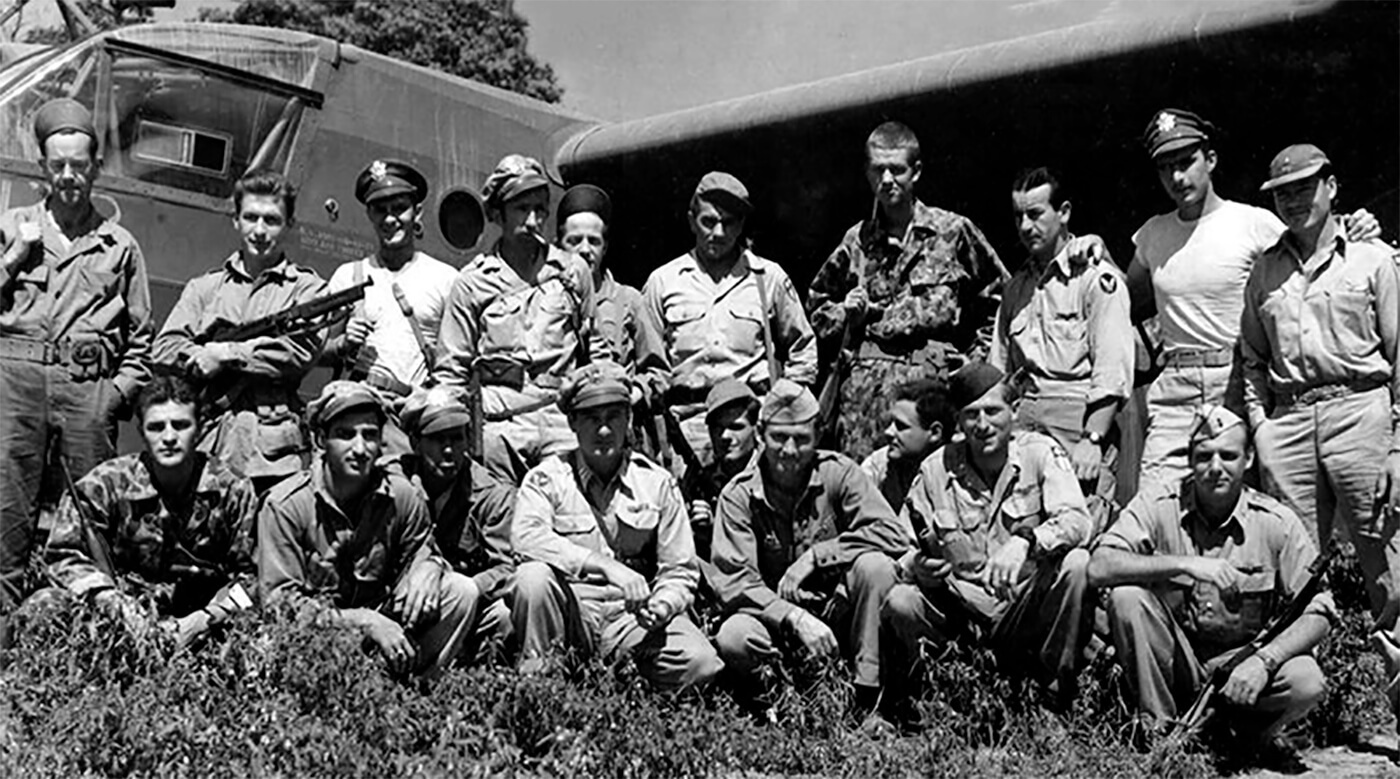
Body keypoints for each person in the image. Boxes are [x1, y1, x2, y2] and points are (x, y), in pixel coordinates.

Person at [1125, 109, 1377, 490]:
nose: (1177, 177)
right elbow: (1123, 300)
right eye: (1165, 168)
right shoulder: (1152, 235)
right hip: (1176, 390)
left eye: (1186, 162)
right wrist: (1091, 248)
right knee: (1156, 500)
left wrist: (1356, 226)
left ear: (1209, 160)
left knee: (1251, 505)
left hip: (1237, 380)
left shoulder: (1253, 223)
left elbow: (1314, 250)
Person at [1238, 144, 1400, 706]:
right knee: (1294, 577)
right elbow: (1252, 360)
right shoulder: (1264, 270)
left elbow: (1399, 355)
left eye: (1305, 187)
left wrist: (1398, 444)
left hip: (1362, 414)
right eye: (1283, 192)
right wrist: (1260, 426)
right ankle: (1297, 711)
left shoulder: (1372, 258)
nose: (1294, 200)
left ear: (1332, 186)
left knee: (1389, 566)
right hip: (1288, 422)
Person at [1088, 406, 1331, 737]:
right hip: (1175, 660)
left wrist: (1265, 661)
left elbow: (1320, 610)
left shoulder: (1276, 523)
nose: (1216, 468)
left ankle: (1245, 739)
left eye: (1228, 456)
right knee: (1127, 597)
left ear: (1247, 460)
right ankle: (1159, 732)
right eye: (1204, 456)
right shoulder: (1159, 504)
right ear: (1190, 460)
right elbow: (1100, 566)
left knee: (1306, 681)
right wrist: (1185, 564)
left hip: (1244, 663)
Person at [0, 97, 153, 617]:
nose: (68, 176)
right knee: (6, 515)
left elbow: (142, 338)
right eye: (57, 165)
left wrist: (115, 397)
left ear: (96, 168)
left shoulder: (119, 244)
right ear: (43, 167)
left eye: (79, 165)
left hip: (87, 388)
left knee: (93, 519)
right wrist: (15, 257)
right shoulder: (11, 226)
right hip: (15, 383)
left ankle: (89, 633)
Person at [881, 362, 1094, 708]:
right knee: (901, 602)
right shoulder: (936, 469)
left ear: (1014, 410)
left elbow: (1078, 521)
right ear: (959, 421)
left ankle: (1053, 695)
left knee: (1077, 564)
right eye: (971, 415)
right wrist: (916, 567)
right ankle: (941, 701)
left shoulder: (1039, 453)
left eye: (993, 411)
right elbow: (900, 549)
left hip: (1024, 609)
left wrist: (1026, 540)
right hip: (961, 613)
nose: (983, 425)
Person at [509, 361, 722, 690]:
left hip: (631, 620)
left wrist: (663, 605)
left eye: (613, 418)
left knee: (701, 662)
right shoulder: (547, 478)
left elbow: (679, 570)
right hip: (570, 615)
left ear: (629, 420)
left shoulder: (657, 483)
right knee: (532, 577)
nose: (604, 430)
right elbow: (526, 538)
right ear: (572, 422)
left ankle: (616, 689)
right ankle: (543, 691)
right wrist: (605, 566)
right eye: (592, 419)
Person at [807, 121, 1009, 462]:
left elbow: (1000, 298)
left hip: (929, 396)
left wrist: (975, 362)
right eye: (877, 170)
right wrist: (844, 312)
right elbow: (816, 307)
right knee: (863, 495)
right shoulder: (857, 241)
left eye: (896, 169)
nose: (887, 180)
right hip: (863, 403)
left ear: (915, 172)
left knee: (933, 491)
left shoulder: (952, 232)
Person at [710, 379, 910, 711]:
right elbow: (735, 583)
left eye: (801, 439)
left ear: (818, 436)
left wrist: (819, 556)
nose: (789, 450)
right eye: (778, 438)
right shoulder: (739, 495)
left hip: (839, 616)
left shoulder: (840, 474)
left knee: (876, 567)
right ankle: (786, 705)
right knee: (735, 635)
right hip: (776, 622)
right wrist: (793, 617)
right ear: (760, 434)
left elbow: (892, 534)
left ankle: (867, 700)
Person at [258, 381, 479, 679]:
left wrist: (432, 565)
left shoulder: (401, 496)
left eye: (370, 435)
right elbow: (281, 608)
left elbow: (423, 550)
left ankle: (414, 696)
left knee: (459, 590)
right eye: (346, 435)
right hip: (317, 638)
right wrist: (363, 621)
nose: (360, 449)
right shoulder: (286, 506)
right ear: (321, 439)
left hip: (385, 634)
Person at [33, 375, 256, 650]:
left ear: (199, 430)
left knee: (262, 627)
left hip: (203, 623)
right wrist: (111, 602)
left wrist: (207, 618)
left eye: (181, 425)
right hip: (121, 618)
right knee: (44, 604)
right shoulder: (104, 486)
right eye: (157, 427)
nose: (169, 437)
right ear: (141, 431)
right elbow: (62, 557)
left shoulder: (233, 490)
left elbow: (254, 578)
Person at [152, 169, 326, 491]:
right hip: (208, 443)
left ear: (289, 225)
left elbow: (298, 352)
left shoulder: (308, 291)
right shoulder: (205, 288)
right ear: (236, 220)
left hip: (274, 455)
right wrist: (199, 356)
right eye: (251, 217)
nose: (259, 230)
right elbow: (163, 348)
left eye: (271, 220)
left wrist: (228, 354)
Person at [637, 171, 818, 469]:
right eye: (708, 221)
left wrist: (782, 410)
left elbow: (803, 348)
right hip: (688, 426)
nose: (718, 233)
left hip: (751, 425)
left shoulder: (767, 278)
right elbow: (648, 363)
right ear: (691, 220)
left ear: (742, 224)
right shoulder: (663, 282)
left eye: (729, 222)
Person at [434, 154, 596, 484]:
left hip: (560, 422)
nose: (534, 221)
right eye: (522, 209)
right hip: (499, 427)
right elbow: (451, 370)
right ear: (498, 214)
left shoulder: (571, 272)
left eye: (540, 209)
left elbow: (596, 352)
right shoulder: (472, 283)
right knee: (500, 521)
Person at [992, 166, 1131, 511]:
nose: (1025, 226)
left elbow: (1111, 369)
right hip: (1024, 427)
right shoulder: (1015, 289)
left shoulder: (1095, 280)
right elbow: (1000, 372)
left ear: (1064, 212)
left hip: (1077, 425)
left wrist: (1093, 438)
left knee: (1078, 532)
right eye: (1019, 216)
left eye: (1036, 214)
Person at [393, 385, 516, 660]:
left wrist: (467, 587)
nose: (449, 450)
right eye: (437, 439)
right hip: (405, 601)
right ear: (415, 442)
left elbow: (508, 567)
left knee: (507, 615)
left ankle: (479, 683)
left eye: (457, 438)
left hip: (467, 606)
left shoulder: (491, 496)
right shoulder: (395, 484)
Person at [323, 159, 458, 401]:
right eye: (380, 210)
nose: (389, 220)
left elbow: (459, 360)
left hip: (415, 412)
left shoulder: (445, 279)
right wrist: (343, 344)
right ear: (369, 215)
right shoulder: (348, 276)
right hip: (360, 412)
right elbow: (315, 352)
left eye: (399, 208)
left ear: (417, 212)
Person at [557, 183, 642, 370]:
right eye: (575, 241)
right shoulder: (546, 300)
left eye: (594, 241)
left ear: (605, 248)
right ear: (559, 246)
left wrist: (633, 393)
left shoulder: (630, 301)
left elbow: (657, 371)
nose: (585, 250)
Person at [680, 378, 760, 560]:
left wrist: (718, 526)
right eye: (718, 428)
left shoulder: (771, 468)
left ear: (756, 429)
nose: (725, 436)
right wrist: (700, 529)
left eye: (736, 427)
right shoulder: (700, 470)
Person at [860, 377, 951, 513]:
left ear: (934, 433)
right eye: (892, 423)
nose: (889, 432)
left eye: (901, 426)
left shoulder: (958, 473)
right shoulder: (877, 466)